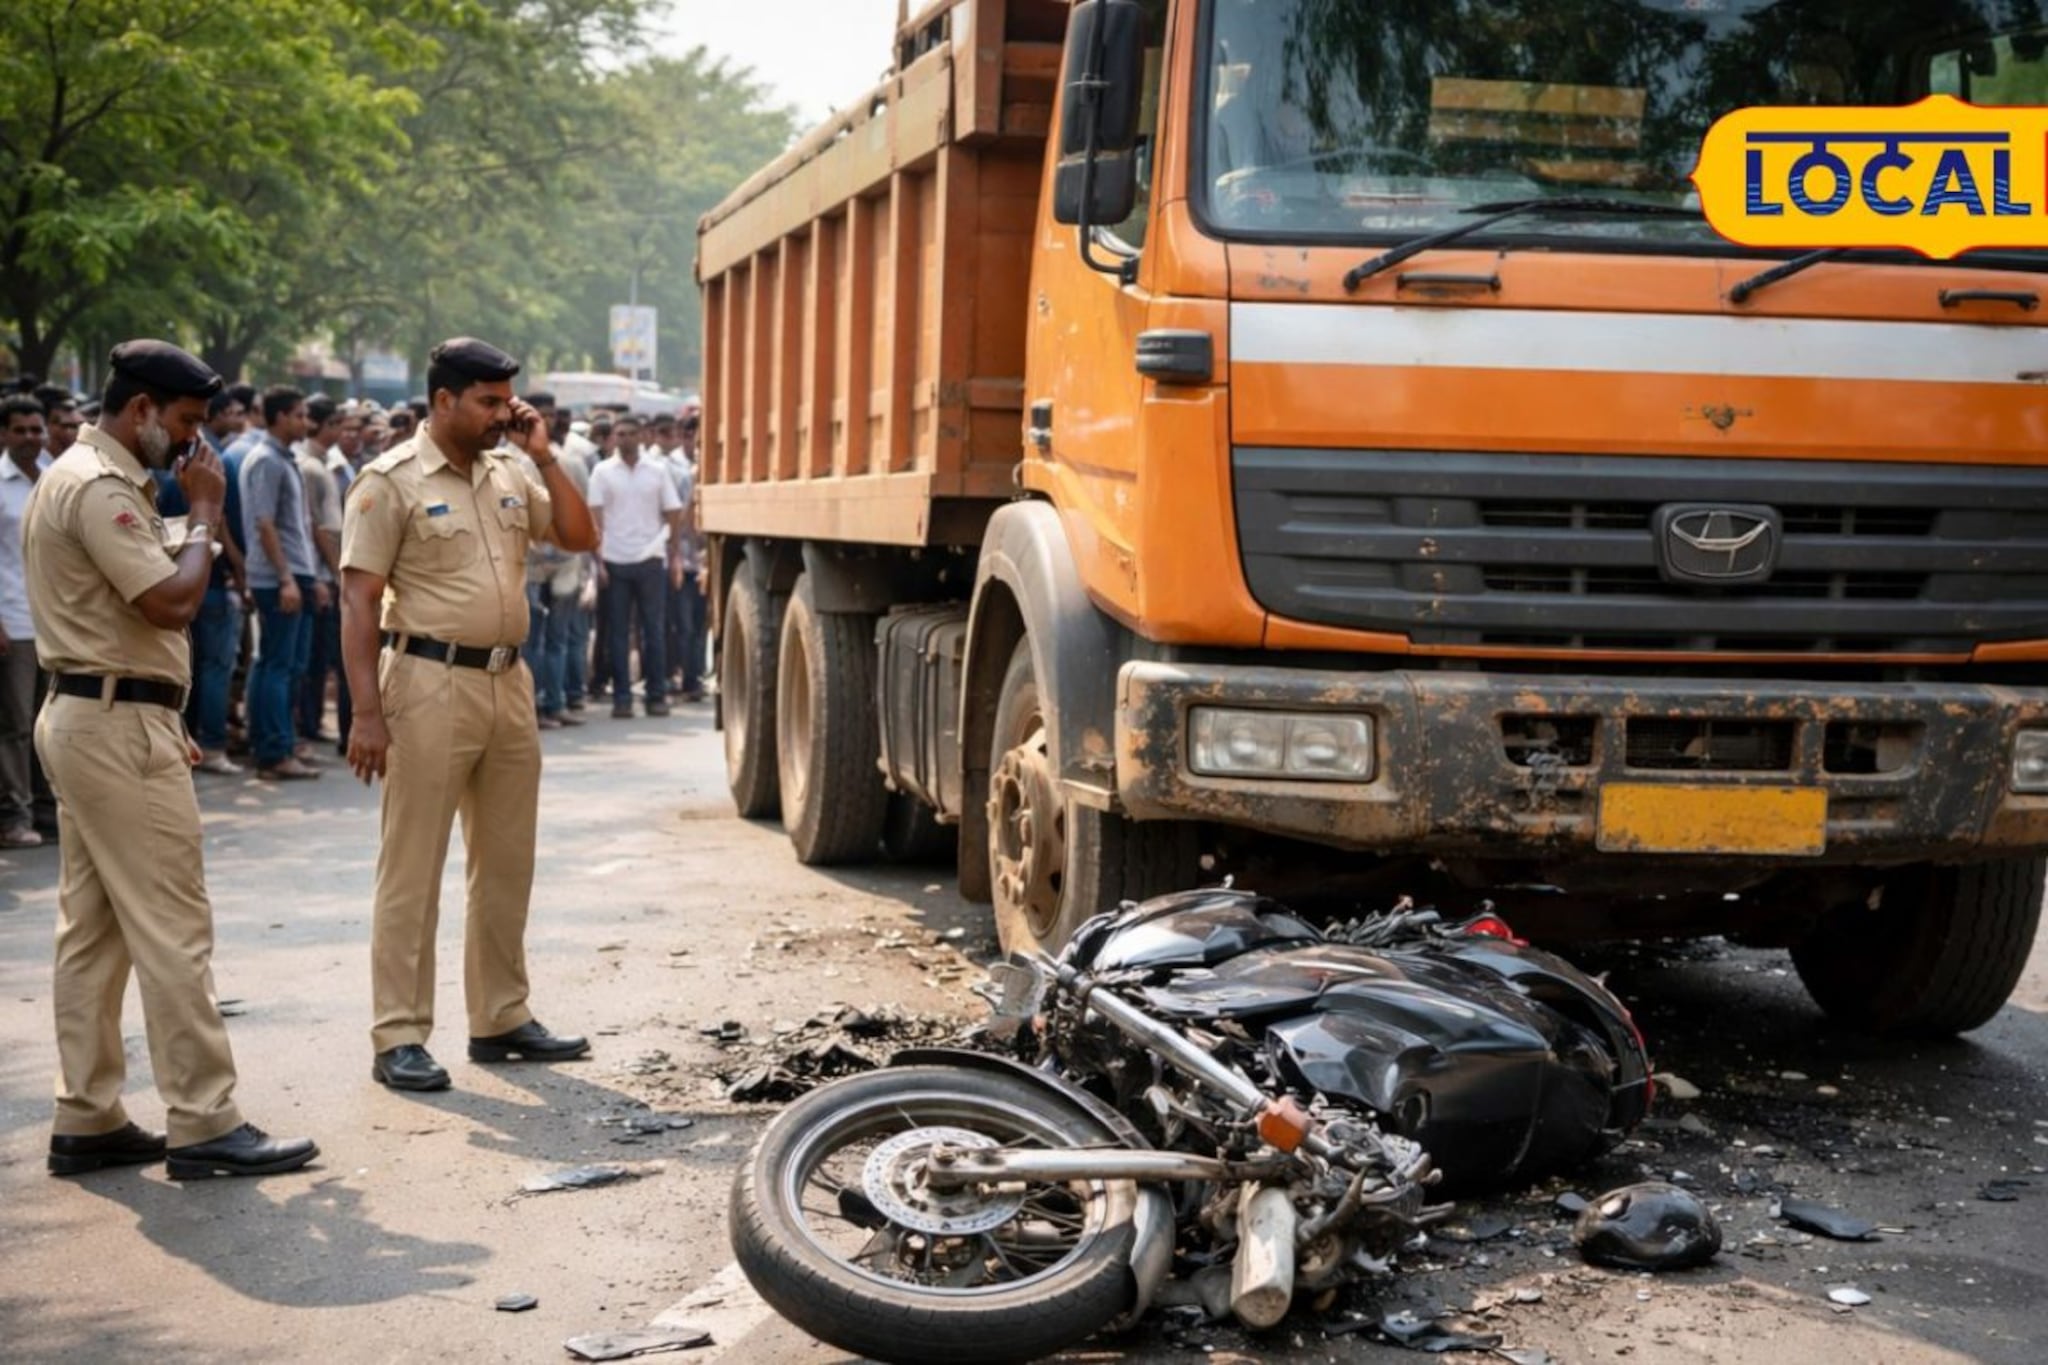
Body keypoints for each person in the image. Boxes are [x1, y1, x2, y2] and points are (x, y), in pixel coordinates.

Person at [27, 339, 316, 1179]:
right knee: (172, 926)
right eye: (186, 422)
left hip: (103, 713)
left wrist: (159, 709)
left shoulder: (92, 479)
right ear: (143, 409)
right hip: (112, 725)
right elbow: (169, 600)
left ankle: (87, 1114)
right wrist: (203, 511)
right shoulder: (99, 486)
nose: (196, 443)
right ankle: (204, 1119)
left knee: (95, 932)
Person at [339, 337, 598, 1093]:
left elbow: (581, 536)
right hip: (424, 680)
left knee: (507, 860)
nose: (502, 414)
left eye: (506, 401)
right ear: (443, 399)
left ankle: (500, 1016)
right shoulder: (388, 482)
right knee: (412, 867)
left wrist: (545, 455)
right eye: (486, 401)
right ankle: (399, 1035)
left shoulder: (513, 470)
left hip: (505, 683)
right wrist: (365, 712)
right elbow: (357, 598)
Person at [157, 388, 251, 775]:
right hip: (202, 579)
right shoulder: (203, 459)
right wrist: (237, 564)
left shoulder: (194, 457)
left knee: (199, 666)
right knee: (214, 666)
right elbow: (217, 520)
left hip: (195, 575)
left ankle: (194, 739)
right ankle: (210, 743)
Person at [240, 386, 322, 780]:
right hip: (277, 577)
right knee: (276, 664)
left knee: (282, 664)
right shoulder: (266, 461)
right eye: (299, 414)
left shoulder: (286, 459)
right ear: (280, 417)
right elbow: (264, 522)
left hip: (295, 572)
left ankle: (279, 743)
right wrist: (287, 577)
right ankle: (273, 751)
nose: (305, 422)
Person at [588, 413, 683, 720]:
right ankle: (622, 699)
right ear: (613, 438)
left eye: (630, 433)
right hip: (614, 561)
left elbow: (672, 512)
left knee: (653, 631)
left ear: (642, 436)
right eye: (620, 434)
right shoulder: (602, 473)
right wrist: (598, 561)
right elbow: (595, 518)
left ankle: (656, 696)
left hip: (651, 559)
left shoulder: (657, 471)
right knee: (617, 634)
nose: (624, 439)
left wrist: (675, 553)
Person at [1, 395, 52, 846]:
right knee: (16, 726)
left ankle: (46, 812)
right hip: (12, 623)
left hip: (55, 624)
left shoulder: (57, 478)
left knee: (49, 722)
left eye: (37, 430)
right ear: (3, 434)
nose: (30, 438)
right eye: (21, 430)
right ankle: (14, 817)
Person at [295, 397, 348, 752]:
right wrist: (334, 575)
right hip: (320, 573)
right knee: (314, 659)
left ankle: (311, 724)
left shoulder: (322, 465)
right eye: (338, 425)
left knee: (317, 657)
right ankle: (307, 725)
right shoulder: (310, 467)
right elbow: (318, 528)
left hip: (324, 574)